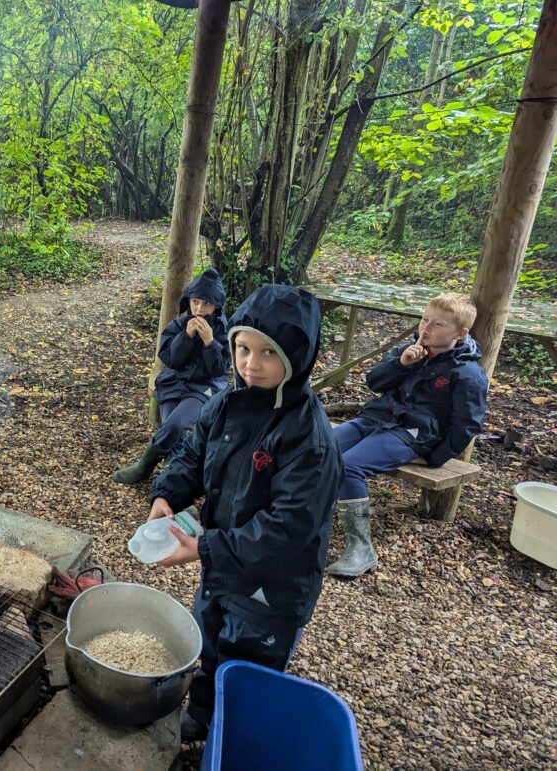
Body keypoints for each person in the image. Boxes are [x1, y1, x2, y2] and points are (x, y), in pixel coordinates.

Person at [147, 284, 343, 741]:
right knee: (210, 638)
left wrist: (205, 548)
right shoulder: (226, 403)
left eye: (268, 353)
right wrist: (168, 494)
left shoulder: (309, 439)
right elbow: (193, 455)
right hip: (222, 566)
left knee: (249, 662)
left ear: (297, 357)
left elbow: (288, 527)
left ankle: (233, 735)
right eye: (242, 348)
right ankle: (201, 715)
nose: (251, 364)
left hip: (273, 587)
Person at [327, 292, 488, 578]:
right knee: (320, 448)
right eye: (424, 319)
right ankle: (308, 518)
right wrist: (401, 364)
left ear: (461, 333)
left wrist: (434, 457)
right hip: (375, 418)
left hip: (411, 434)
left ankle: (361, 549)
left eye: (437, 324)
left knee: (348, 465)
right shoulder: (412, 350)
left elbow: (467, 425)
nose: (425, 328)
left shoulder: (467, 373)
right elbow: (374, 383)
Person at [114, 268, 230, 484]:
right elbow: (171, 360)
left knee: (174, 426)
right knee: (173, 431)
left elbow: (219, 369)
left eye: (206, 303)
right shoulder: (178, 325)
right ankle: (172, 483)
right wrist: (186, 336)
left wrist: (210, 342)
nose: (199, 308)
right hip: (173, 384)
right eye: (195, 301)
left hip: (203, 388)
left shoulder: (223, 331)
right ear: (189, 301)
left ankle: (143, 466)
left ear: (216, 307)